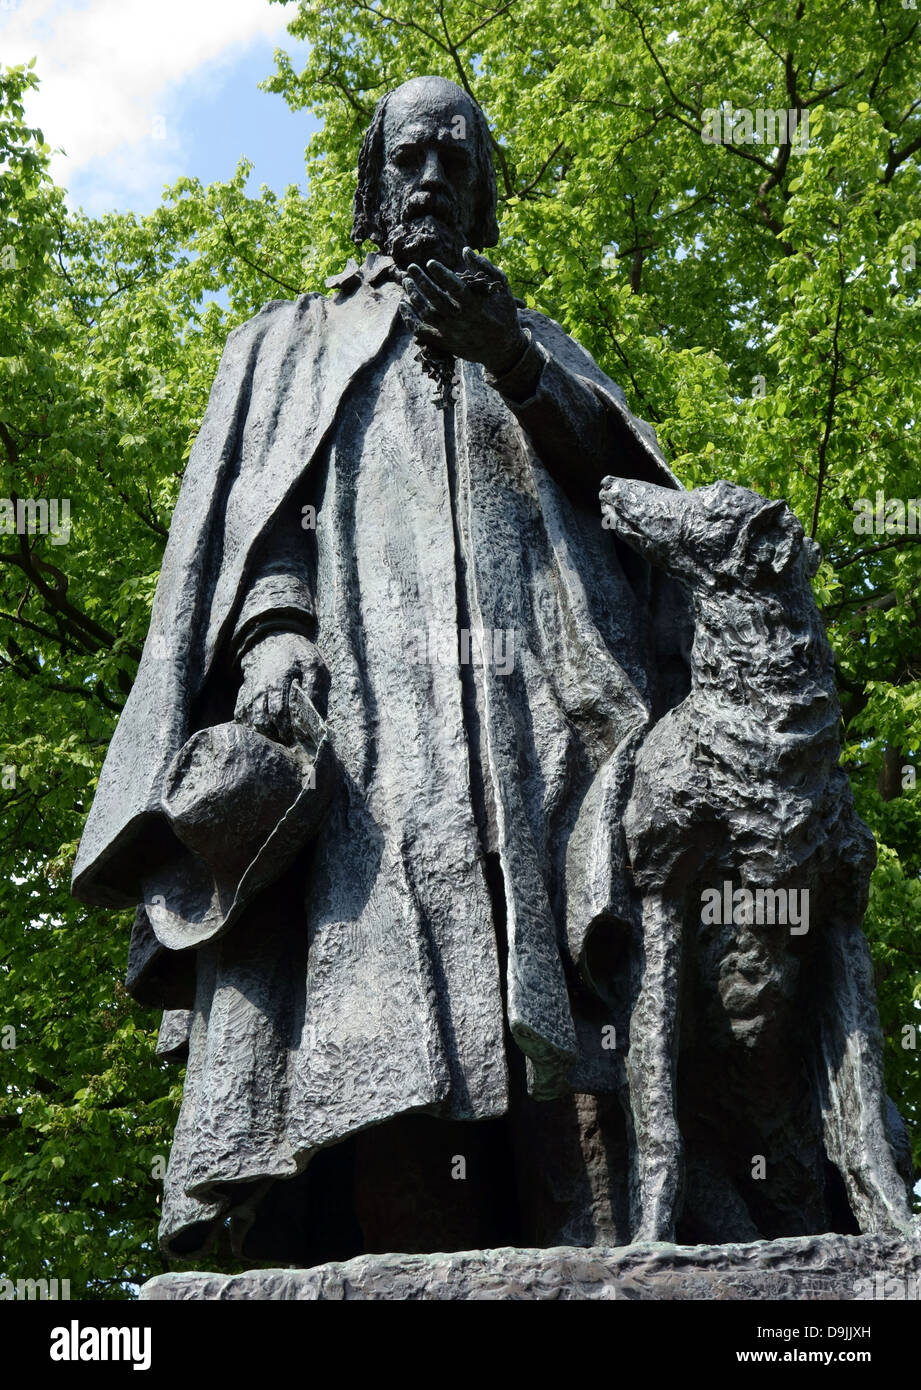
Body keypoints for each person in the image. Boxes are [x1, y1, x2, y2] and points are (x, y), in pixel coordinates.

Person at [72, 75, 689, 1263]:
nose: (433, 178)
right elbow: (266, 525)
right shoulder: (298, 344)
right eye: (412, 156)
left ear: (483, 189)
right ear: (374, 180)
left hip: (537, 722)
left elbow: (635, 499)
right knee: (389, 998)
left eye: (458, 160)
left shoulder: (532, 343)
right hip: (374, 733)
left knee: (565, 1001)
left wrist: (513, 361)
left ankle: (603, 1258)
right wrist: (273, 637)